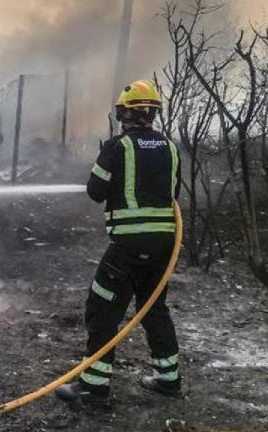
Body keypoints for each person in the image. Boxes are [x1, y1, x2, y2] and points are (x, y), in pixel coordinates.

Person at [56, 79, 182, 406]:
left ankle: (94, 388)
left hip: (128, 247)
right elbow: (172, 195)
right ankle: (168, 378)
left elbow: (96, 191)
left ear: (123, 113)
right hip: (164, 246)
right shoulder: (170, 147)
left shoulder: (117, 147)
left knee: (102, 309)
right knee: (154, 307)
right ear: (153, 113)